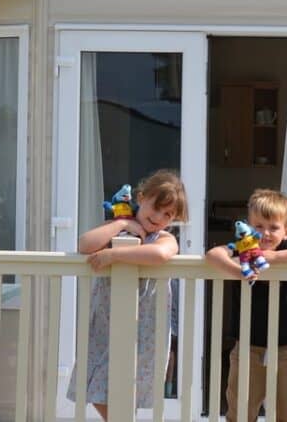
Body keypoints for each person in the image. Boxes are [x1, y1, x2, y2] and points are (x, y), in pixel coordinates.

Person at [67, 170, 188, 421]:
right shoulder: (116, 229)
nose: (159, 217)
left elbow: (160, 255)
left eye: (168, 215)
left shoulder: (163, 238)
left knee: (128, 382)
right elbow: (85, 244)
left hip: (143, 325)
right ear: (141, 198)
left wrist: (115, 255)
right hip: (106, 319)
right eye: (156, 208)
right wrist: (121, 224)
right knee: (95, 379)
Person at [205, 189, 287, 422]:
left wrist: (275, 258)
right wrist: (239, 272)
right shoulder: (243, 247)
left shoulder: (286, 248)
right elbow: (213, 255)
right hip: (248, 346)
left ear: (286, 231)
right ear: (248, 227)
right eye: (258, 226)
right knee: (241, 410)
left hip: (286, 346)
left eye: (273, 227)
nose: (266, 233)